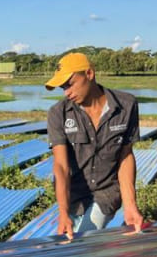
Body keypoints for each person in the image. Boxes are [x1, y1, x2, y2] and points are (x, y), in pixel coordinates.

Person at [45, 52, 143, 239]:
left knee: (84, 238)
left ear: (89, 74)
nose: (67, 92)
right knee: (69, 241)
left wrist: (130, 205)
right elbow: (61, 166)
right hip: (73, 194)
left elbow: (125, 155)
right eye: (63, 87)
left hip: (107, 191)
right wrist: (63, 212)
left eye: (70, 84)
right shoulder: (58, 113)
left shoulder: (126, 105)